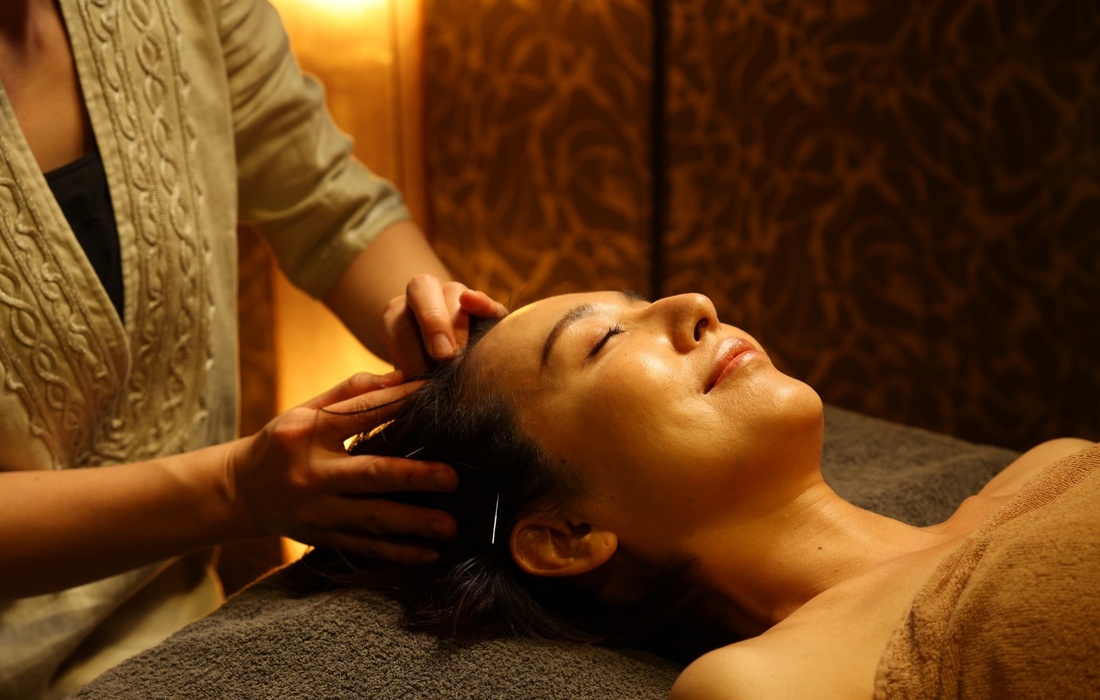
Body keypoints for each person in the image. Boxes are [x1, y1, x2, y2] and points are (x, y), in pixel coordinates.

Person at [0, 0, 506, 697]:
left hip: (170, 637)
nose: (669, 308)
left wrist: (455, 346)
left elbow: (330, 205)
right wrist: (236, 488)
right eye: (596, 338)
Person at [335, 289, 1099, 699]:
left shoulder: (1050, 467)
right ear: (566, 534)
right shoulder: (769, 684)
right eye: (602, 340)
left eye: (638, 301)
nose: (694, 302)